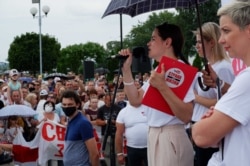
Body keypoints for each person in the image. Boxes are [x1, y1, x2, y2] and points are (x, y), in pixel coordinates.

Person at [119, 22, 195, 166]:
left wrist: (162, 87)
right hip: (154, 135)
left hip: (170, 136)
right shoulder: (160, 70)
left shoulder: (180, 70)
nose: (149, 43)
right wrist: (126, 70)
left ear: (167, 42)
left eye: (153, 39)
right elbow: (135, 100)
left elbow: (186, 115)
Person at [192, 1, 250, 166]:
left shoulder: (247, 78)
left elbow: (201, 136)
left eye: (226, 31)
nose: (221, 40)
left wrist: (210, 118)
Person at [191, 22, 235, 166]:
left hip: (212, 133)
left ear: (211, 42)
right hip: (201, 126)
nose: (196, 46)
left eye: (199, 42)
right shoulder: (211, 67)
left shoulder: (223, 68)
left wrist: (195, 98)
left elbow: (224, 102)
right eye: (196, 42)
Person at [61, 90, 99, 166]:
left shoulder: (83, 123)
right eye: (64, 104)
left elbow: (94, 154)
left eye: (70, 104)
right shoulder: (70, 120)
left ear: (77, 105)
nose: (66, 107)